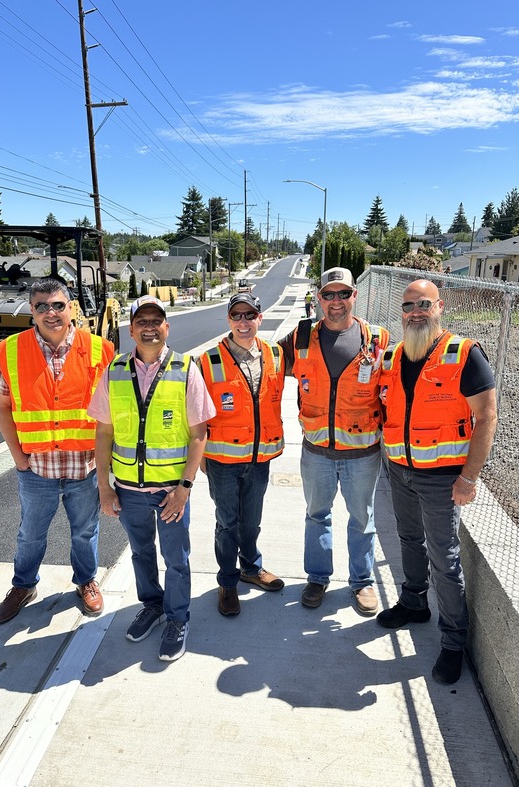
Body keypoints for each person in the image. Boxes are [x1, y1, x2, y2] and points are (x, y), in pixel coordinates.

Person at [377, 279, 497, 685]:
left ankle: (452, 641)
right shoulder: (393, 355)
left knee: (444, 559)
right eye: (409, 305)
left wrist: (468, 477)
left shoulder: (465, 353)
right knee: (408, 540)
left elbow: (487, 417)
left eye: (423, 304)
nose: (415, 311)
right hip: (399, 469)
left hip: (443, 478)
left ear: (440, 306)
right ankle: (413, 603)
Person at [89, 295, 215, 661]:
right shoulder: (113, 371)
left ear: (166, 327)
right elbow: (104, 433)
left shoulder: (185, 369)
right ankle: (153, 605)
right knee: (142, 553)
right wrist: (103, 487)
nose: (149, 327)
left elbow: (198, 435)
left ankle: (177, 619)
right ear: (131, 330)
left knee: (176, 558)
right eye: (141, 321)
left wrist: (185, 489)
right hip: (128, 490)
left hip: (170, 492)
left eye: (156, 320)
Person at [0, 279, 114, 624]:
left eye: (58, 305)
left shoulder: (101, 349)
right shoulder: (10, 350)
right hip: (36, 469)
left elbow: (113, 411)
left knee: (84, 532)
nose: (50, 312)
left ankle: (86, 582)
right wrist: (18, 457)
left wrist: (106, 465)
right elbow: (1, 405)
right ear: (31, 311)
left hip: (84, 467)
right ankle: (23, 585)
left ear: (71, 307)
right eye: (41, 306)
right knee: (30, 534)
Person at [278, 267, 389, 615]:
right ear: (319, 298)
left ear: (355, 295)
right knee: (316, 515)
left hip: (362, 453)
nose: (336, 301)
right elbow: (262, 363)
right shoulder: (299, 338)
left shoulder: (379, 340)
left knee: (362, 519)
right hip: (316, 452)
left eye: (343, 294)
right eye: (329, 294)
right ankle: (317, 578)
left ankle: (362, 582)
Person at [197, 293, 286, 617]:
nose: (243, 322)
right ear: (229, 320)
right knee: (227, 523)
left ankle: (251, 567)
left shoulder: (275, 353)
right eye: (237, 315)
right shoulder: (208, 360)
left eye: (250, 315)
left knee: (252, 522)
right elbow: (196, 413)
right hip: (222, 461)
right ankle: (228, 582)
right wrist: (200, 457)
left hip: (260, 458)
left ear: (259, 318)